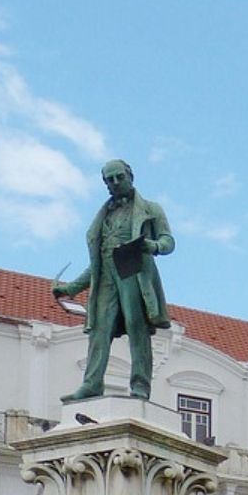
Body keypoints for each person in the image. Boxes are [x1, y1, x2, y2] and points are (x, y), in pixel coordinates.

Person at [52, 159, 176, 402]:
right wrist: (71, 288)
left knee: (136, 327)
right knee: (99, 330)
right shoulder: (104, 216)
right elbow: (97, 263)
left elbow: (168, 241)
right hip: (108, 275)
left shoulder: (151, 209)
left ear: (131, 176)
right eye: (110, 179)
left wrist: (152, 245)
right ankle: (91, 384)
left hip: (134, 272)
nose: (116, 182)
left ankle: (140, 387)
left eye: (120, 177)